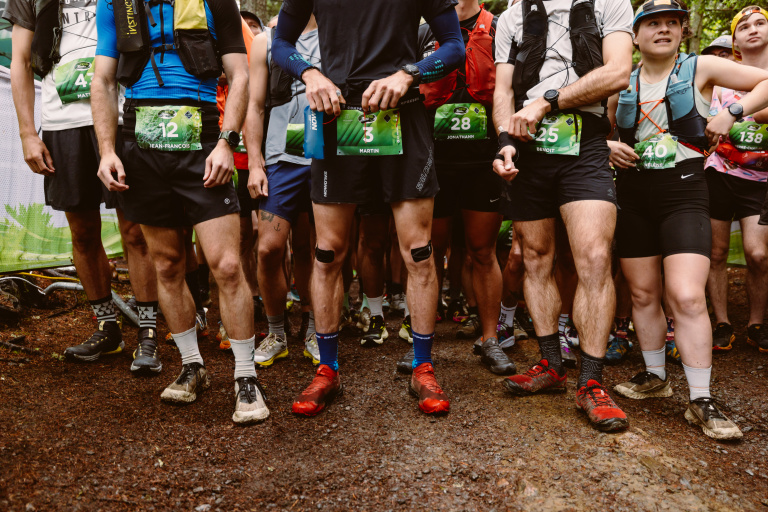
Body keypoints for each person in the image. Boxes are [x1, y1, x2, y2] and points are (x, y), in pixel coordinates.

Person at [272, 0, 464, 416]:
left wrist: (408, 74)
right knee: (327, 253)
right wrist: (310, 73)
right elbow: (280, 42)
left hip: (403, 115)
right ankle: (327, 369)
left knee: (419, 251)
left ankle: (423, 366)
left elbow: (454, 46)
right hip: (335, 114)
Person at [92, 0, 268, 424]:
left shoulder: (217, 2)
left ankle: (246, 376)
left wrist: (227, 141)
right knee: (168, 264)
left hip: (203, 134)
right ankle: (192, 365)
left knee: (226, 265)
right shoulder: (115, 5)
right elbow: (102, 80)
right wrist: (107, 150)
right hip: (141, 138)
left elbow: (240, 74)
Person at [609, 0, 768, 440]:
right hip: (634, 192)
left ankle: (700, 399)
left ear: (682, 32)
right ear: (635, 35)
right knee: (642, 292)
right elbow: (596, 131)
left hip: (683, 189)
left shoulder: (700, 68)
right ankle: (655, 377)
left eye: (672, 24)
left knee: (685, 294)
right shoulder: (619, 77)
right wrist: (607, 146)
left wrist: (732, 112)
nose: (664, 30)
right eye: (653, 24)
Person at [493, 0, 635, 432]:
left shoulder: (610, 4)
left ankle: (591, 382)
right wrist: (503, 141)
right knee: (535, 257)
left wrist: (546, 102)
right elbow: (502, 90)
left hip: (586, 144)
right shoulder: (512, 15)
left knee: (593, 256)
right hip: (526, 146)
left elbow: (617, 73)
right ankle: (551, 365)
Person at [3, 0, 160, 372]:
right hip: (62, 122)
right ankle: (107, 326)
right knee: (83, 232)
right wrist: (28, 132)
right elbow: (21, 61)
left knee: (137, 231)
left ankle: (149, 332)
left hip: (122, 113)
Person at [408, 0, 514, 376]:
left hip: (483, 159)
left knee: (482, 251)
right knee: (429, 252)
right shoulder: (423, 30)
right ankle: (422, 340)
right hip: (433, 160)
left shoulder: (502, 28)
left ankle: (491, 339)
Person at [246, 14, 320, 365]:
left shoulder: (340, 31)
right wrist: (256, 163)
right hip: (280, 160)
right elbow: (255, 105)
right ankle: (276, 331)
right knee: (268, 249)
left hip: (327, 158)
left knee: (319, 250)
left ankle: (315, 327)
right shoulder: (267, 39)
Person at [705, 6, 768, 353]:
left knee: (757, 254)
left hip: (761, 179)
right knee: (715, 252)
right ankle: (722, 323)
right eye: (744, 26)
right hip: (720, 173)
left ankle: (757, 324)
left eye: (760, 23)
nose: (753, 29)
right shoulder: (722, 79)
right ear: (735, 41)